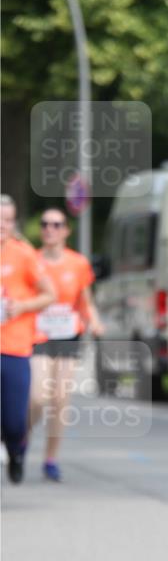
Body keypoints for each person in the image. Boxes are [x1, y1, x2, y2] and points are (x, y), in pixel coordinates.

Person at [30, 207, 104, 482]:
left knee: (60, 398)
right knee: (38, 397)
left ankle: (50, 459)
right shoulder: (33, 260)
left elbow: (85, 300)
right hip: (38, 335)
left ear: (66, 231)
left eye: (56, 224)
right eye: (45, 223)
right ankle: (20, 438)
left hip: (68, 335)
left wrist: (94, 321)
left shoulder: (77, 263)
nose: (50, 228)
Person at [0, 195, 55, 483]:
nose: (3, 225)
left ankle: (16, 450)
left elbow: (49, 294)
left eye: (8, 220)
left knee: (12, 421)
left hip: (14, 347)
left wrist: (20, 307)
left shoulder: (23, 254)